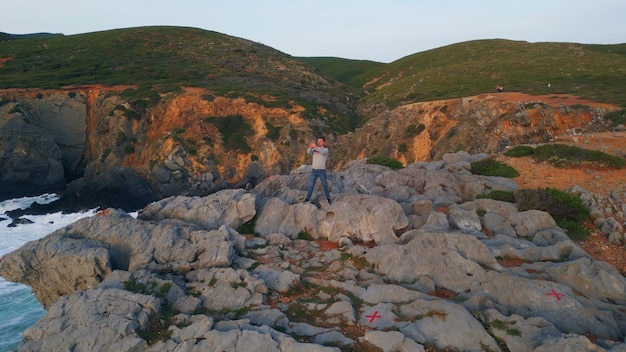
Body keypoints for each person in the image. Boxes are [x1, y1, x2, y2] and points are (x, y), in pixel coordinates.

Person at [305, 136, 331, 204]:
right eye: (318, 141)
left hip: (322, 171)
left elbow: (322, 151)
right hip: (314, 171)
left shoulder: (325, 150)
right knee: (311, 185)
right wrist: (310, 147)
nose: (319, 142)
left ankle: (328, 198)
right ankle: (307, 199)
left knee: (325, 184)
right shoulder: (314, 149)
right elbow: (308, 152)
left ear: (324, 142)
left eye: (321, 141)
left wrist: (315, 146)